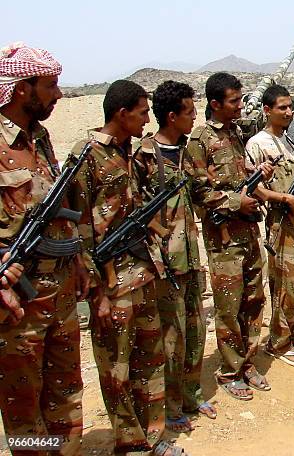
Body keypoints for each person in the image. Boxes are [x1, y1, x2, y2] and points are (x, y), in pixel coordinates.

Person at [68, 80, 185, 455]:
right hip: (110, 283)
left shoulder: (129, 153)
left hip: (143, 273)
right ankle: (130, 442)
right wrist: (96, 293)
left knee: (149, 362)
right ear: (122, 113)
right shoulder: (85, 155)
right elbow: (76, 229)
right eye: (142, 112)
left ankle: (153, 436)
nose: (147, 119)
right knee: (116, 370)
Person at [0, 42, 85, 455]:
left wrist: (79, 259)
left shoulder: (41, 138)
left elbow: (59, 205)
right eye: (50, 86)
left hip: (62, 291)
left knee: (66, 395)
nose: (58, 94)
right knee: (23, 408)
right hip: (18, 306)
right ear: (21, 89)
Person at [133, 80, 215, 433]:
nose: (195, 116)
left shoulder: (187, 153)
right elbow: (133, 214)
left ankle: (190, 395)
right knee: (170, 338)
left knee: (195, 330)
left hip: (191, 258)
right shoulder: (144, 156)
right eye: (190, 111)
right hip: (163, 263)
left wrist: (237, 199)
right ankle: (169, 407)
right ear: (171, 116)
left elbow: (203, 194)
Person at [185, 72, 274, 400]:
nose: (239, 106)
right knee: (228, 305)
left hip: (248, 230)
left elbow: (238, 175)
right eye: (234, 101)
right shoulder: (200, 140)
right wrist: (237, 200)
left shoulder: (237, 133)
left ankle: (247, 361)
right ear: (215, 104)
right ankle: (230, 370)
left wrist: (256, 177)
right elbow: (197, 190)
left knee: (253, 298)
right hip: (223, 238)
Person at [245, 84, 294, 368]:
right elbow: (254, 189)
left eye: (290, 107)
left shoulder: (289, 142)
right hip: (281, 222)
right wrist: (284, 198)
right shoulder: (258, 144)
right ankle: (280, 341)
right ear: (267, 110)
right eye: (282, 108)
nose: (289, 112)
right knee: (285, 284)